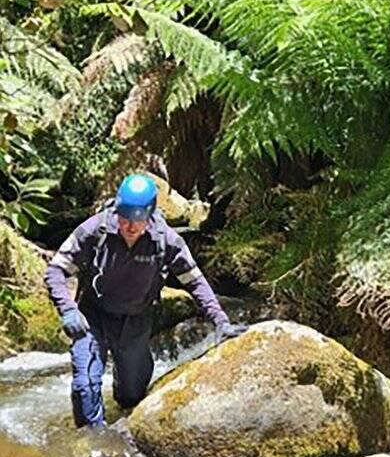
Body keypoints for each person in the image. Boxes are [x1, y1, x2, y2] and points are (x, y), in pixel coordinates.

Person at [45, 173, 245, 428]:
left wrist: (221, 321)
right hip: (92, 317)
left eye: (137, 221)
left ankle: (124, 394)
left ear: (150, 216)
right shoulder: (95, 230)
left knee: (131, 397)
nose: (129, 227)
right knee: (85, 386)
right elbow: (56, 270)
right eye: (124, 218)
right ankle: (93, 446)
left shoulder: (167, 241)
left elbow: (194, 281)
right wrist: (68, 310)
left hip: (136, 321)